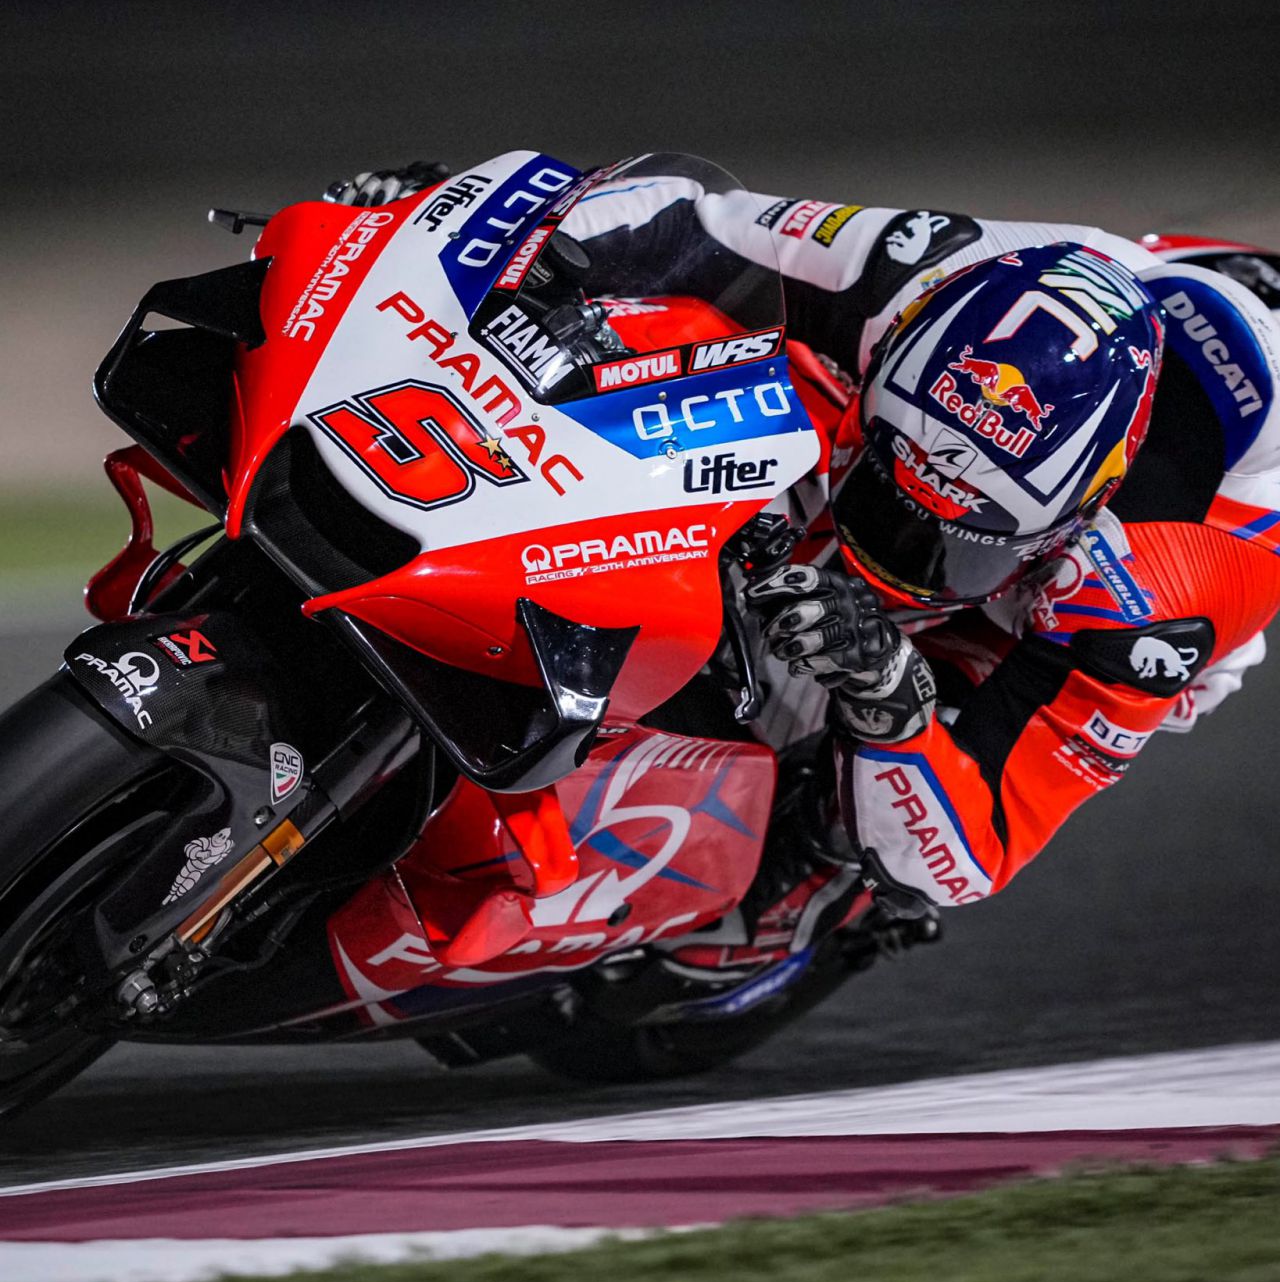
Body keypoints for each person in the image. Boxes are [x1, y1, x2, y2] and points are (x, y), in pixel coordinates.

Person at [326, 161, 1280, 934]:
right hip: (1093, 332)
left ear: (1085, 503)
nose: (888, 555)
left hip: (1149, 563)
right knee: (699, 334)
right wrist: (459, 237)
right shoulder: (920, 274)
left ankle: (805, 892)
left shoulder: (1158, 590)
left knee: (886, 811)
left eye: (950, 543)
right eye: (896, 494)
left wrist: (888, 692)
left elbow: (974, 850)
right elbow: (687, 220)